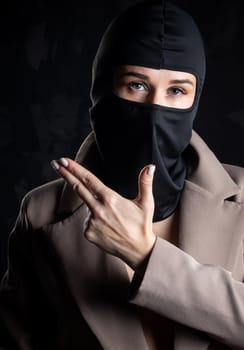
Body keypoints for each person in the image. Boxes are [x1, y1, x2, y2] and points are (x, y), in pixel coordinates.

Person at [1, 0, 244, 349]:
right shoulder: (40, 214)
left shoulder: (243, 201)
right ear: (102, 87)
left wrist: (146, 256)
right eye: (136, 85)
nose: (154, 111)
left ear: (195, 98)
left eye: (176, 91)